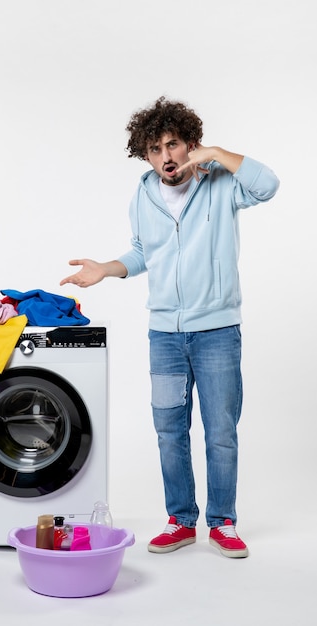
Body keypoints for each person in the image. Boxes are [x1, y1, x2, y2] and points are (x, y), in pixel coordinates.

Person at [60, 97, 279, 558]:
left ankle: (223, 522)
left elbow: (268, 185)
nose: (166, 157)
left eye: (173, 145)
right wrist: (107, 267)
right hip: (164, 334)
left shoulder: (221, 183)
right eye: (155, 149)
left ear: (189, 145)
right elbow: (144, 253)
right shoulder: (142, 195)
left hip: (217, 330)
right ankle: (180, 519)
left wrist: (217, 153)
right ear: (145, 155)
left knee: (220, 429)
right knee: (169, 430)